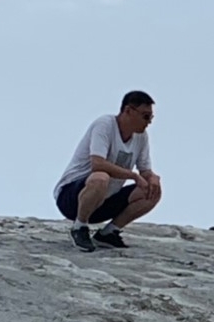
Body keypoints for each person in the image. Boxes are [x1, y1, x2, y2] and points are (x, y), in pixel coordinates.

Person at [54, 91, 163, 251]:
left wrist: (152, 178)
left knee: (152, 190)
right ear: (128, 111)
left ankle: (108, 233)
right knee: (100, 177)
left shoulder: (141, 137)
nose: (148, 122)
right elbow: (98, 164)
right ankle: (79, 227)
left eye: (151, 118)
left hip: (104, 202)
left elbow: (145, 170)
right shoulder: (104, 125)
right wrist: (132, 175)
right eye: (145, 116)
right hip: (73, 198)